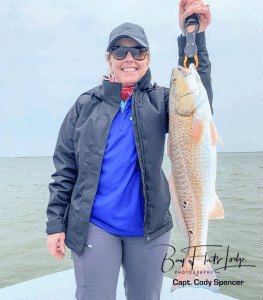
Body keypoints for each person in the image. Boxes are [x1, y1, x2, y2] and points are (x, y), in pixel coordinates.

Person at [46, 1, 212, 299]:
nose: (129, 59)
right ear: (109, 59)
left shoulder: (162, 100)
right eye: (120, 52)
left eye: (138, 51)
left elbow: (198, 97)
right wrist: (55, 224)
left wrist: (193, 37)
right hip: (96, 225)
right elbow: (65, 169)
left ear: (147, 59)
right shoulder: (85, 105)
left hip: (150, 227)